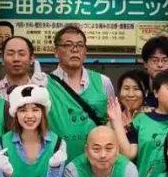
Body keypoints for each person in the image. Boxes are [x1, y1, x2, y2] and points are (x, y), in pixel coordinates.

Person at [0, 85, 68, 177]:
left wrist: (54, 168)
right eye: (22, 110)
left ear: (43, 112)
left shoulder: (58, 144)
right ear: (15, 113)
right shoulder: (2, 145)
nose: (29, 116)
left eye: (35, 110)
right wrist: (7, 174)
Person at [45, 25, 116, 161]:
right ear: (56, 51)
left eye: (80, 45)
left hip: (96, 164)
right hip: (56, 163)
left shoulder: (103, 81)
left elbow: (113, 121)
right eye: (68, 45)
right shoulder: (45, 84)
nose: (75, 49)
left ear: (85, 52)